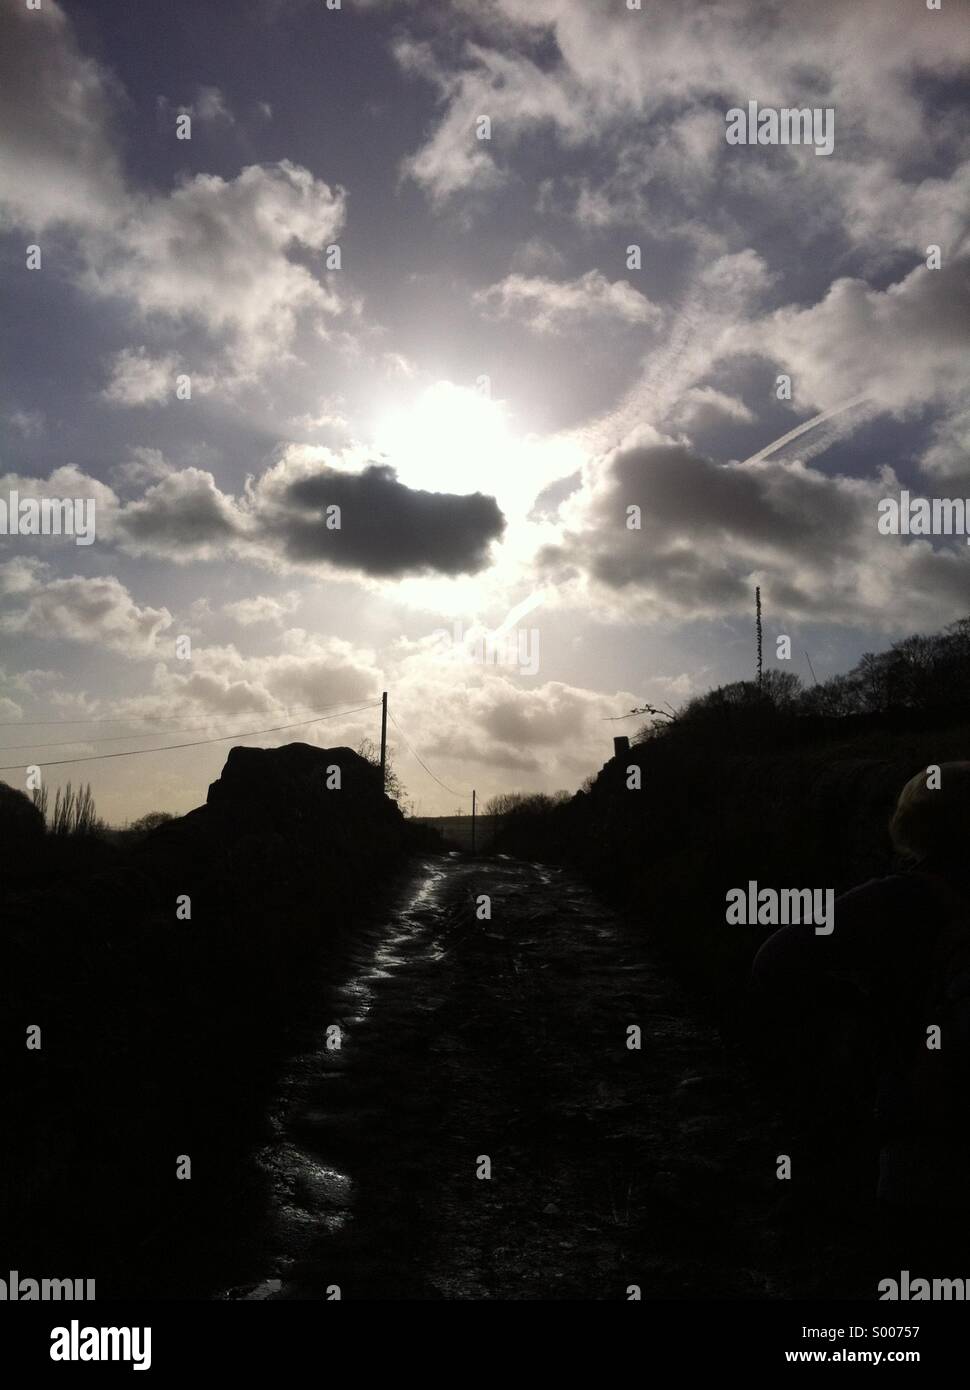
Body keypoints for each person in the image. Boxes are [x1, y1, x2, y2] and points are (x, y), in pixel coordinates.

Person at [748, 762, 970, 1250]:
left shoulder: (895, 899)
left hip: (924, 1153)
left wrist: (856, 1005)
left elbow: (774, 960)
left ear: (913, 826)